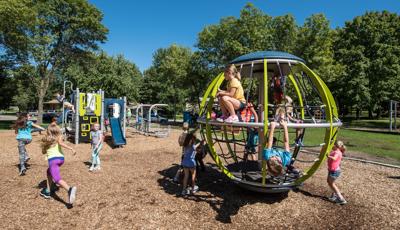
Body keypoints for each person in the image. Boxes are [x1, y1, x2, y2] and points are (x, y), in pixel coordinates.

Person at [40, 123, 77, 205]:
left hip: (53, 160)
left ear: (48, 131)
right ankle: (47, 191)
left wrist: (71, 148)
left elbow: (44, 151)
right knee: (49, 172)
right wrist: (71, 148)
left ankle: (70, 189)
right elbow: (60, 143)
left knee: (57, 179)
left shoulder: (46, 139)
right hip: (61, 159)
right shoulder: (59, 136)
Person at [263, 109, 298, 176]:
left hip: (272, 146)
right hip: (275, 148)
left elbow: (270, 141)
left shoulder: (267, 156)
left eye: (271, 158)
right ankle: (283, 112)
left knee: (269, 141)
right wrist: (285, 127)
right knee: (282, 115)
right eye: (274, 158)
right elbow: (286, 142)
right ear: (280, 162)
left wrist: (272, 128)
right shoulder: (286, 159)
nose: (272, 157)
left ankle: (279, 112)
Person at [327, 140, 347, 205]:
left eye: (332, 144)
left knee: (331, 184)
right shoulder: (337, 151)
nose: (331, 146)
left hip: (334, 171)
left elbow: (335, 158)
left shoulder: (337, 153)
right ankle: (334, 195)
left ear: (336, 146)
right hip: (334, 170)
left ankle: (341, 199)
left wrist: (328, 156)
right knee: (330, 182)